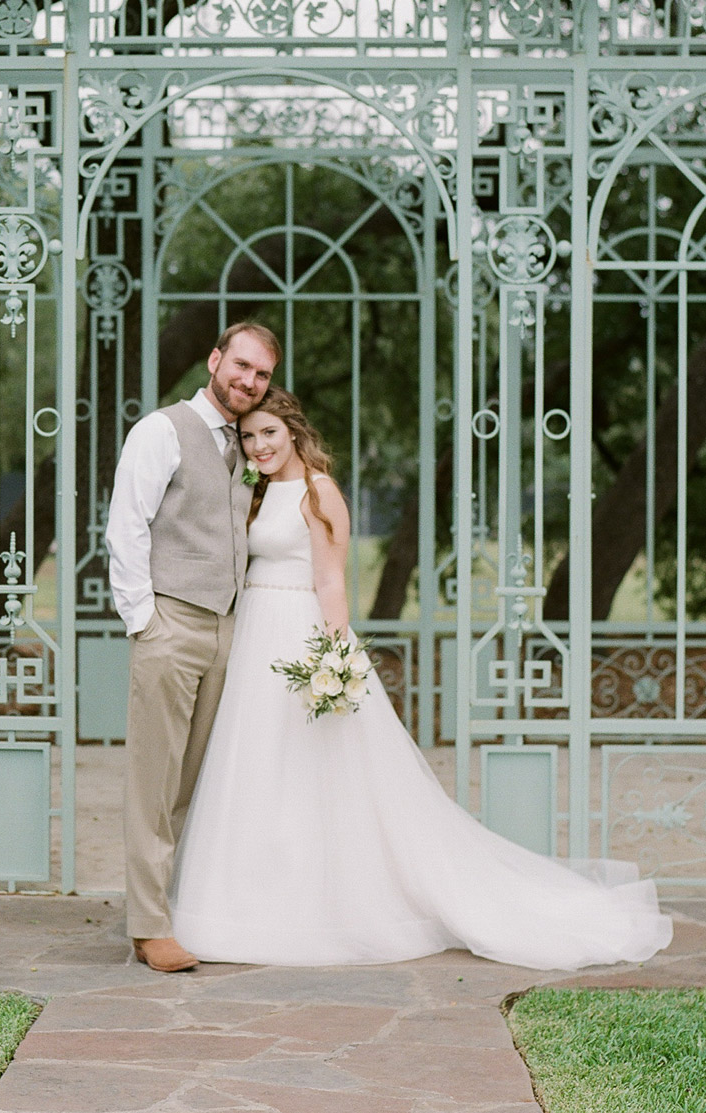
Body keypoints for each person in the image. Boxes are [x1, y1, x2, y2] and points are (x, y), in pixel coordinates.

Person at [170, 385, 673, 970]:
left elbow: (333, 580)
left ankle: (325, 904)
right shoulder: (254, 494)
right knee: (255, 763)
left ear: (294, 431)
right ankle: (245, 898)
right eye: (249, 436)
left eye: (269, 434)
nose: (258, 446)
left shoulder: (319, 492)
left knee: (314, 767)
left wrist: (334, 654)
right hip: (256, 632)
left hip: (300, 631)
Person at [105, 321, 281, 972]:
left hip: (224, 626)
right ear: (215, 360)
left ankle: (171, 904)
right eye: (240, 366)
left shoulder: (248, 444)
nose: (248, 381)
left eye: (261, 373)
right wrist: (143, 621)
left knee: (190, 784)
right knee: (154, 779)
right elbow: (126, 527)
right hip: (171, 621)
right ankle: (149, 926)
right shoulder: (162, 430)